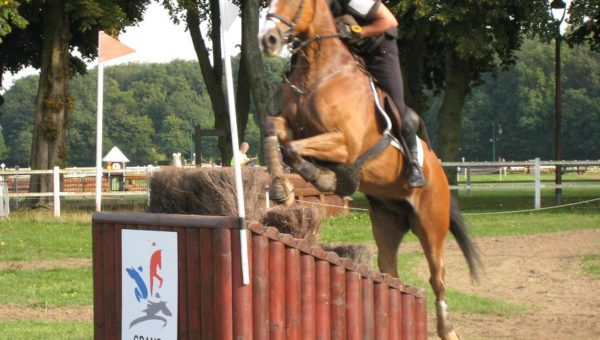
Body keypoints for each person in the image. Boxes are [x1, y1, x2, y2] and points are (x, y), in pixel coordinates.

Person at [331, 0, 425, 187]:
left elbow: (390, 21)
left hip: (378, 53)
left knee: (396, 107)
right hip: (348, 56)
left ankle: (414, 162)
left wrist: (358, 32)